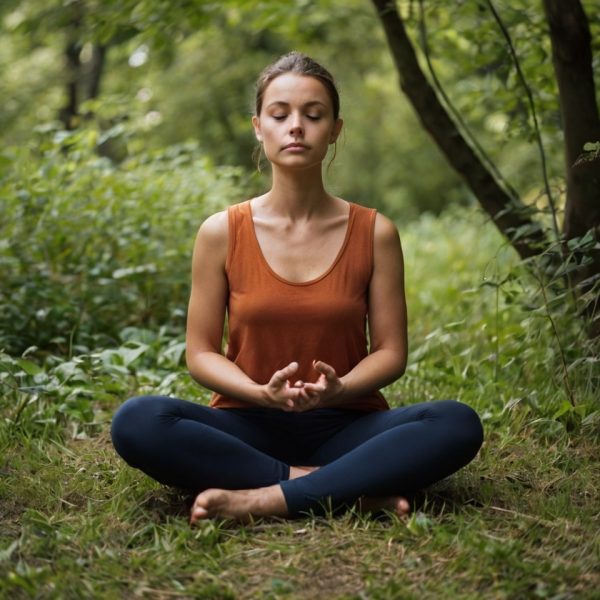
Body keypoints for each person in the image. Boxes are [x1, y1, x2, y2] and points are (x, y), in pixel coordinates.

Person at [111, 52, 484, 524]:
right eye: (280, 113)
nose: (296, 127)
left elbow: (391, 352)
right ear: (258, 125)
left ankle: (263, 497)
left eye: (314, 115)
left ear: (335, 129)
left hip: (347, 424)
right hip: (246, 422)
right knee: (138, 420)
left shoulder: (375, 232)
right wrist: (258, 392)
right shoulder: (220, 232)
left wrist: (341, 388)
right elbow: (200, 353)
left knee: (455, 423)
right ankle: (342, 487)